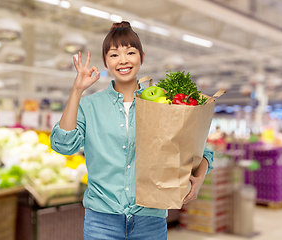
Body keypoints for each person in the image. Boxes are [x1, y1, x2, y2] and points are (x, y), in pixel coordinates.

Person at [50, 21, 214, 240]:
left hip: (150, 219)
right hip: (101, 220)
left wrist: (200, 178)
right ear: (106, 62)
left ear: (142, 57)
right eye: (114, 55)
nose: (123, 60)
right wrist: (77, 90)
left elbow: (202, 149)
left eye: (130, 52)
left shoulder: (163, 104)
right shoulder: (89, 106)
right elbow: (64, 144)